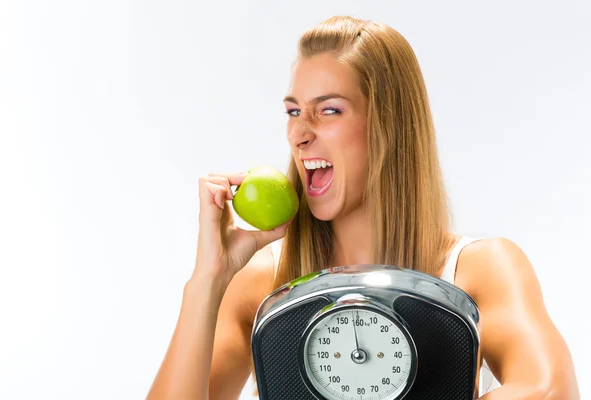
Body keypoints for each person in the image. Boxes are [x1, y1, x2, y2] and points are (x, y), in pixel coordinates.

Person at [146, 15, 579, 400]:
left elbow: (551, 389)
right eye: (294, 111)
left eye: (329, 110)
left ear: (389, 126)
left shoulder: (479, 269)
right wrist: (208, 280)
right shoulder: (263, 281)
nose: (298, 133)